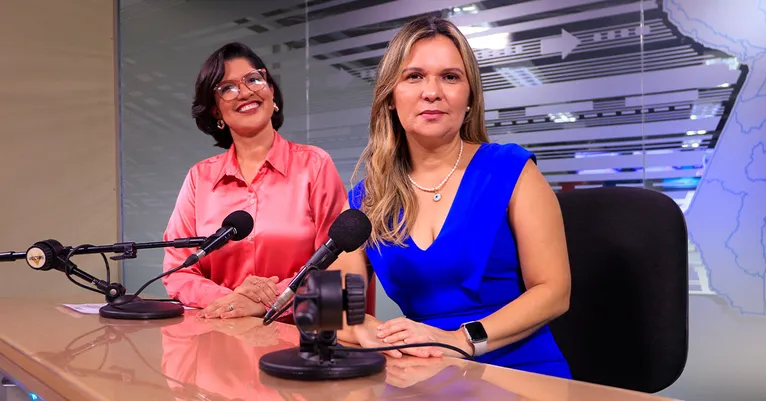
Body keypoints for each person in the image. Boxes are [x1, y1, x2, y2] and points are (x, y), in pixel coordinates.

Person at [331, 16, 572, 379]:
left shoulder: (511, 170)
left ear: (470, 97)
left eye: (450, 77)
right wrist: (369, 330)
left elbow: (554, 291)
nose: (432, 91)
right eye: (414, 76)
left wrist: (461, 338)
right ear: (391, 98)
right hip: (420, 372)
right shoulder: (367, 200)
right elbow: (331, 306)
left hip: (521, 371)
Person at [162, 42, 347, 321]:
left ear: (272, 93)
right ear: (215, 112)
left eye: (253, 79)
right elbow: (179, 271)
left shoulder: (315, 166)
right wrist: (231, 300)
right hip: (218, 338)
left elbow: (339, 266)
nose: (245, 91)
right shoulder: (199, 179)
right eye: (227, 88)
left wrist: (268, 301)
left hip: (298, 340)